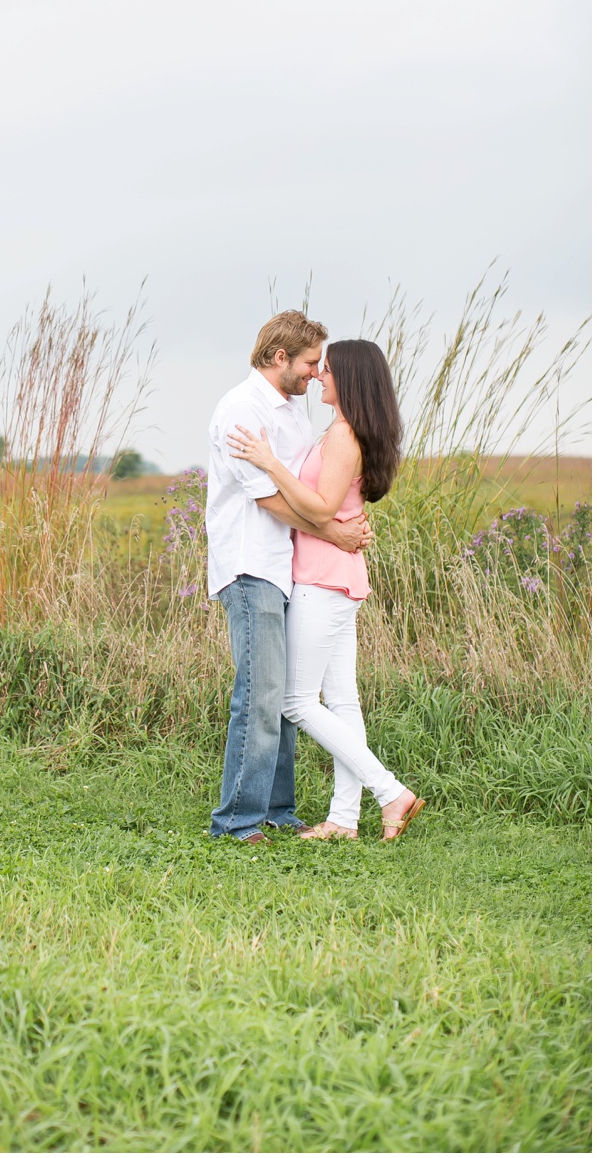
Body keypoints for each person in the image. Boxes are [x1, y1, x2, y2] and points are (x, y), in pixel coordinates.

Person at [227, 339, 424, 842]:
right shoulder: (343, 432)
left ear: (351, 381)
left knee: (295, 700)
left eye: (328, 370)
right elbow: (330, 509)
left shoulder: (342, 436)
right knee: (341, 700)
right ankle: (344, 819)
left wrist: (270, 464)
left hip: (322, 578)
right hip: (335, 575)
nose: (319, 377)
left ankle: (390, 791)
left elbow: (319, 508)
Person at [205, 311, 373, 844]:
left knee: (279, 693)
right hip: (251, 563)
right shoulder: (241, 410)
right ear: (280, 358)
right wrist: (335, 534)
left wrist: (334, 523)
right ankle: (237, 820)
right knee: (260, 692)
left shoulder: (294, 413)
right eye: (308, 363)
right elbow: (272, 499)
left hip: (287, 568)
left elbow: (314, 487)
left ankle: (277, 807)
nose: (315, 373)